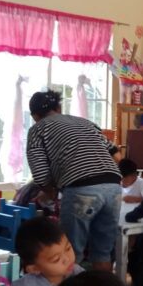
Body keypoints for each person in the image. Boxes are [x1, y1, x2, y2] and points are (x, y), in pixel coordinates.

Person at [25, 90, 121, 272]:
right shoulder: (86, 123)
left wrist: (51, 192)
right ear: (59, 108)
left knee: (70, 253)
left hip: (81, 187)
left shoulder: (38, 129)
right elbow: (116, 155)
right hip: (113, 185)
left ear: (35, 116)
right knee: (102, 253)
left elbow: (40, 173)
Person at [5, 217, 83, 286]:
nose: (67, 259)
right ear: (34, 268)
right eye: (56, 259)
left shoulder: (80, 276)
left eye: (68, 248)